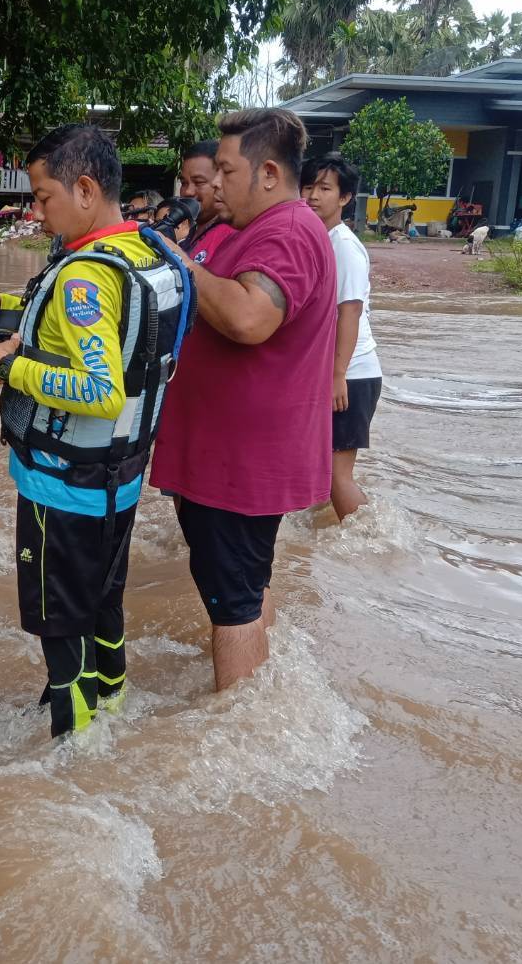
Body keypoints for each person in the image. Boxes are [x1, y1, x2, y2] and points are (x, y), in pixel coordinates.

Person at [0, 123, 189, 738]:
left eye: (43, 195)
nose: (36, 210)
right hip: (118, 481)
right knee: (103, 604)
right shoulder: (144, 250)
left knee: (59, 626)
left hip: (63, 487)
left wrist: (8, 365)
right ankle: (110, 707)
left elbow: (100, 390)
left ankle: (72, 748)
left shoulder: (84, 276)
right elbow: (103, 326)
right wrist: (1, 301)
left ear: (84, 189)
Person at [150, 108, 336, 692]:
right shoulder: (261, 230)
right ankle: (257, 690)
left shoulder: (286, 231)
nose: (216, 182)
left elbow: (250, 318)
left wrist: (181, 264)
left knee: (232, 601)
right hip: (232, 458)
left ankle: (235, 723)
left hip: (241, 465)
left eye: (227, 171)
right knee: (246, 589)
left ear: (269, 173)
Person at [301, 154, 382, 521]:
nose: (314, 195)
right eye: (309, 186)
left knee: (336, 475)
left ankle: (370, 541)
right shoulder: (319, 239)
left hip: (351, 374)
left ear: (345, 198)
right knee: (318, 469)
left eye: (325, 188)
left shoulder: (343, 246)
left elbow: (348, 313)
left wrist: (337, 376)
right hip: (336, 372)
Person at [176, 140, 237, 265]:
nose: (188, 192)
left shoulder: (232, 236)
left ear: (220, 182)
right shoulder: (189, 234)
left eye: (199, 182)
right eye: (184, 183)